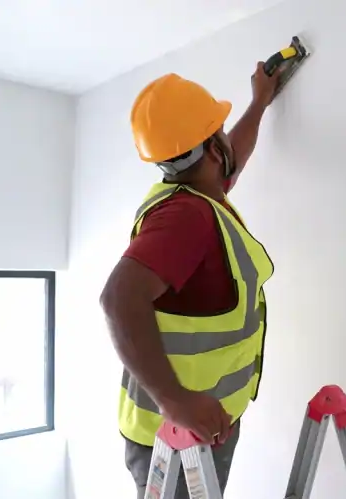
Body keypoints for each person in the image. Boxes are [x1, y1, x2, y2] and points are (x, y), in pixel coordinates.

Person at [99, 63, 281, 498]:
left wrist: (259, 104)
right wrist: (174, 400)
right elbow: (118, 297)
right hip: (177, 434)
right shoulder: (186, 217)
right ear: (212, 149)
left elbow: (229, 164)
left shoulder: (196, 196)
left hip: (195, 423)